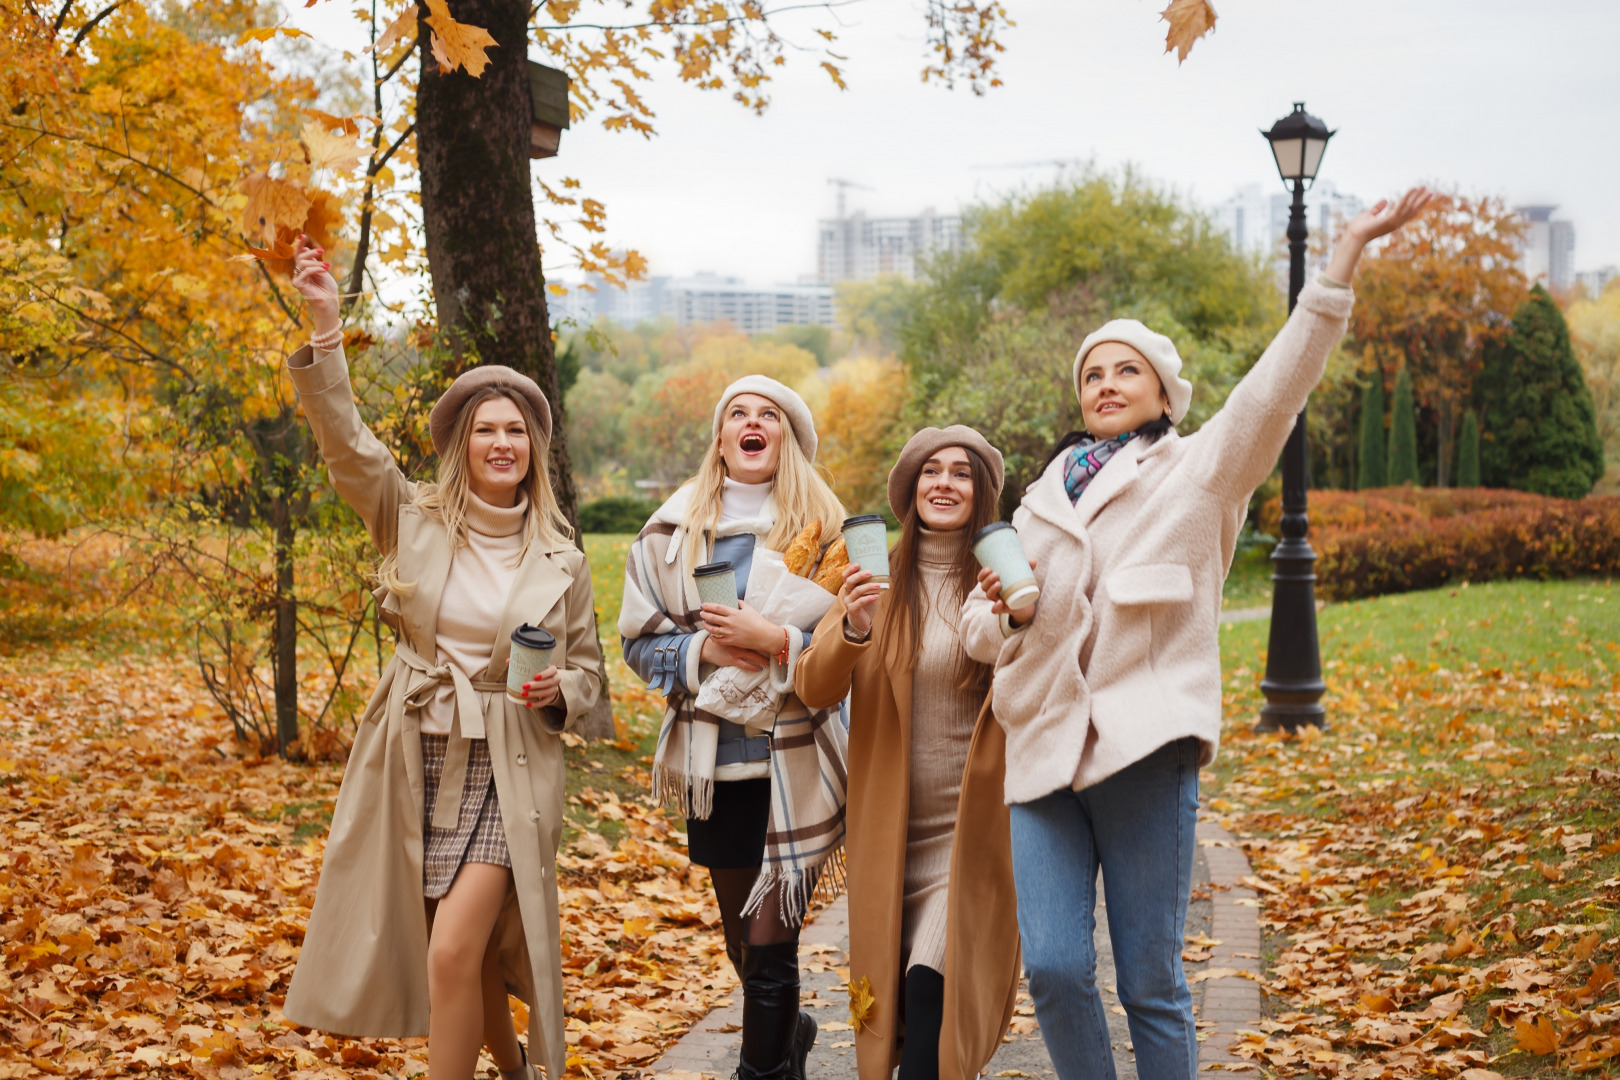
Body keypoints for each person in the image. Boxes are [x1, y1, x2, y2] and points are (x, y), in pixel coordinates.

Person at [961, 188, 1435, 1080]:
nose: (1105, 385)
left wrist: (1339, 268)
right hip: (1041, 755)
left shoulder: (1202, 474)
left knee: (1150, 980)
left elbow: (1274, 391)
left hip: (1144, 747)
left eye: (1124, 371)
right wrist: (1003, 616)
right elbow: (980, 626)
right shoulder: (1038, 498)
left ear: (1161, 392)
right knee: (1057, 968)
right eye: (1093, 374)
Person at [279, 235, 603, 1080]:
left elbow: (592, 684)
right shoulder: (411, 517)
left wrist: (557, 688)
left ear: (535, 446)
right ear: (461, 443)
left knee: (458, 947)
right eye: (485, 430)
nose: (502, 443)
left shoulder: (563, 560)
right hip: (414, 750)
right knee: (452, 948)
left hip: (510, 759)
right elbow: (347, 446)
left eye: (517, 431)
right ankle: (517, 1071)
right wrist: (323, 327)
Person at [617, 375, 849, 1080]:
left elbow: (857, 651)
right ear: (720, 440)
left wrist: (778, 637)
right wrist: (705, 650)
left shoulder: (829, 536)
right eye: (738, 415)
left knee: (771, 946)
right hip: (716, 767)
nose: (752, 423)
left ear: (789, 440)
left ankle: (761, 1069)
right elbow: (637, 642)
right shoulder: (667, 535)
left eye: (769, 415)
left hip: (796, 761)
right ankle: (789, 1039)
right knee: (743, 945)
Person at [796, 427, 1022, 1080]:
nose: (944, 483)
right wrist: (856, 628)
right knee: (894, 1015)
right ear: (910, 488)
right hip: (891, 832)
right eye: (932, 471)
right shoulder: (871, 578)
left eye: (961, 473)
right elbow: (814, 683)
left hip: (974, 830)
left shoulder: (1002, 579)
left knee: (933, 992)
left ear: (980, 493)